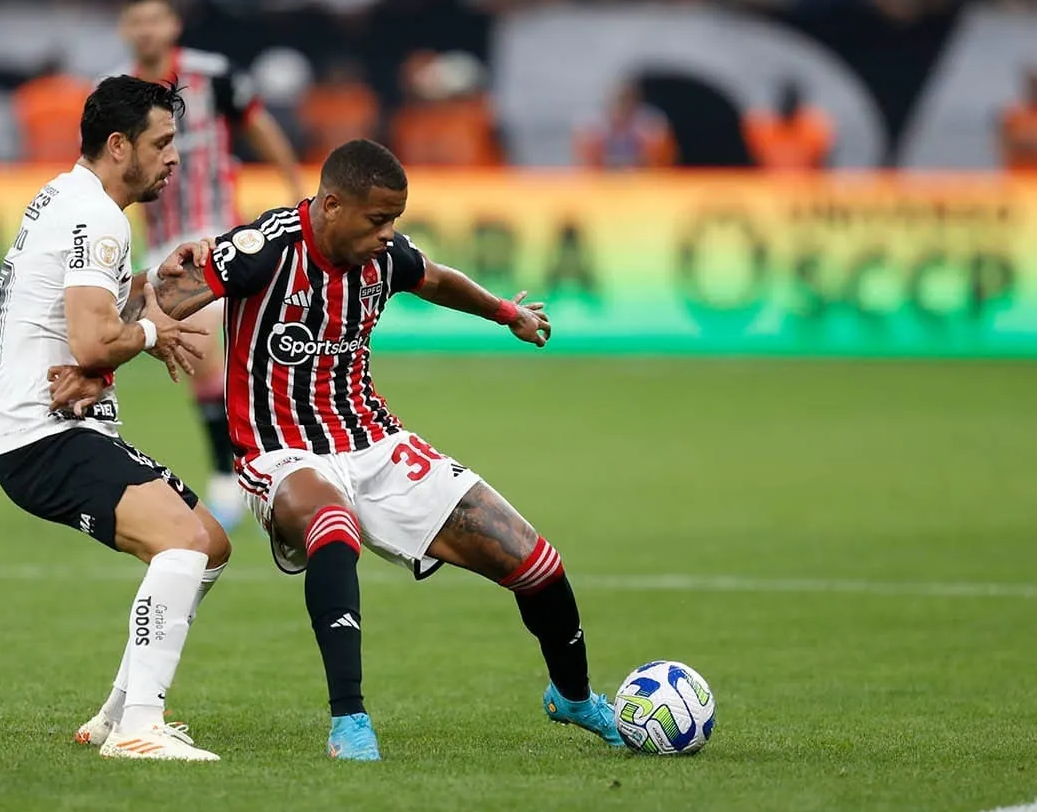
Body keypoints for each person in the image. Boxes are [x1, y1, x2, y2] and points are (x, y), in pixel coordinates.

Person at [58, 139, 622, 761]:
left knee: (534, 560)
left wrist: (505, 311)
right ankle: (349, 724)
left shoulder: (386, 257)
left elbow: (433, 277)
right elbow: (158, 299)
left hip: (374, 441)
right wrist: (93, 369)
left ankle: (574, 697)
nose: (389, 233)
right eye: (378, 219)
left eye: (395, 221)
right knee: (333, 527)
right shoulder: (262, 249)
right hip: (280, 452)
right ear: (331, 205)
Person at [0, 75, 231, 762]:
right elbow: (95, 341)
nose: (173, 157)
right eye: (162, 143)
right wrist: (153, 337)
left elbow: (90, 334)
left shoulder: (68, 200)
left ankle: (115, 714)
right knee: (181, 541)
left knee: (209, 541)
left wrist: (151, 288)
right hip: (48, 436)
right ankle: (140, 729)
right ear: (119, 145)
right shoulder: (96, 216)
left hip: (53, 428)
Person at [105, 0, 304, 528]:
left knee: (206, 334)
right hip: (162, 239)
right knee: (198, 357)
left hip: (214, 229)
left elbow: (259, 126)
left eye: (156, 19)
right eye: (136, 21)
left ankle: (233, 471)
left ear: (173, 25)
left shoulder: (211, 75)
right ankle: (240, 466)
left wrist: (293, 187)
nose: (146, 30)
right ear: (126, 30)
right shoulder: (117, 91)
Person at [574, 80, 677, 169]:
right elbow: (584, 164)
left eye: (626, 100)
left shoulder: (650, 124)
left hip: (644, 179)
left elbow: (665, 161)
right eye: (618, 101)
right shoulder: (592, 128)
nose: (622, 106)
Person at [743, 81, 834, 171]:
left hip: (806, 183)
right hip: (769, 182)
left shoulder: (815, 130)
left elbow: (824, 164)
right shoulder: (761, 129)